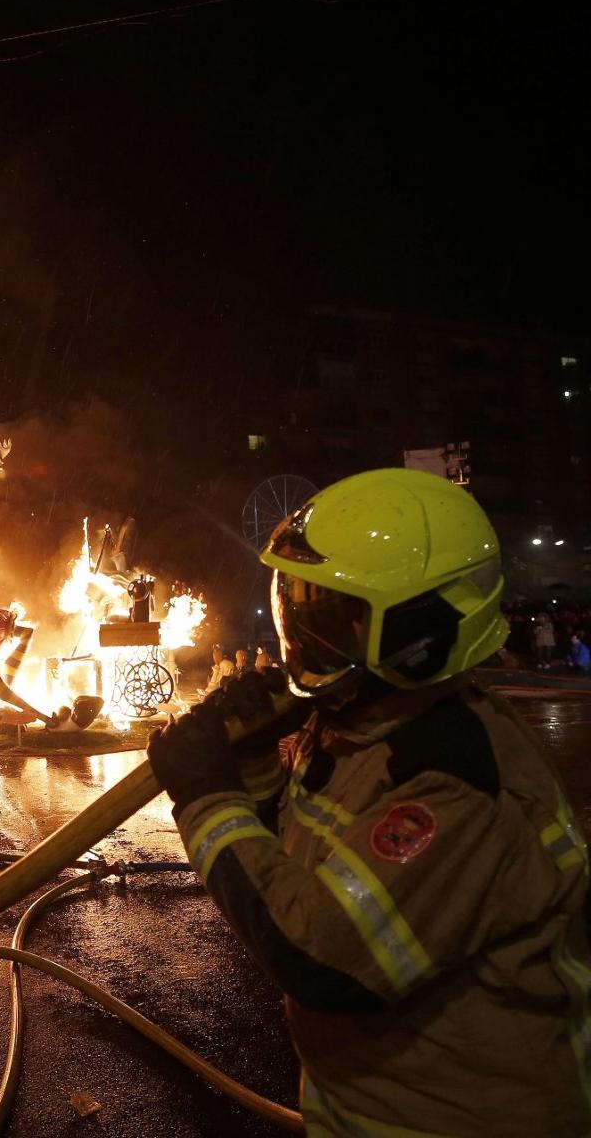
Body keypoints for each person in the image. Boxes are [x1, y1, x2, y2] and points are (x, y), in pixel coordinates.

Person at [147, 469, 591, 1136]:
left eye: (331, 617)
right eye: (298, 606)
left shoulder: (456, 781)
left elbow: (322, 958)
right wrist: (255, 764)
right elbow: (297, 869)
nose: (302, 636)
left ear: (420, 635)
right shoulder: (365, 724)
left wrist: (207, 795)